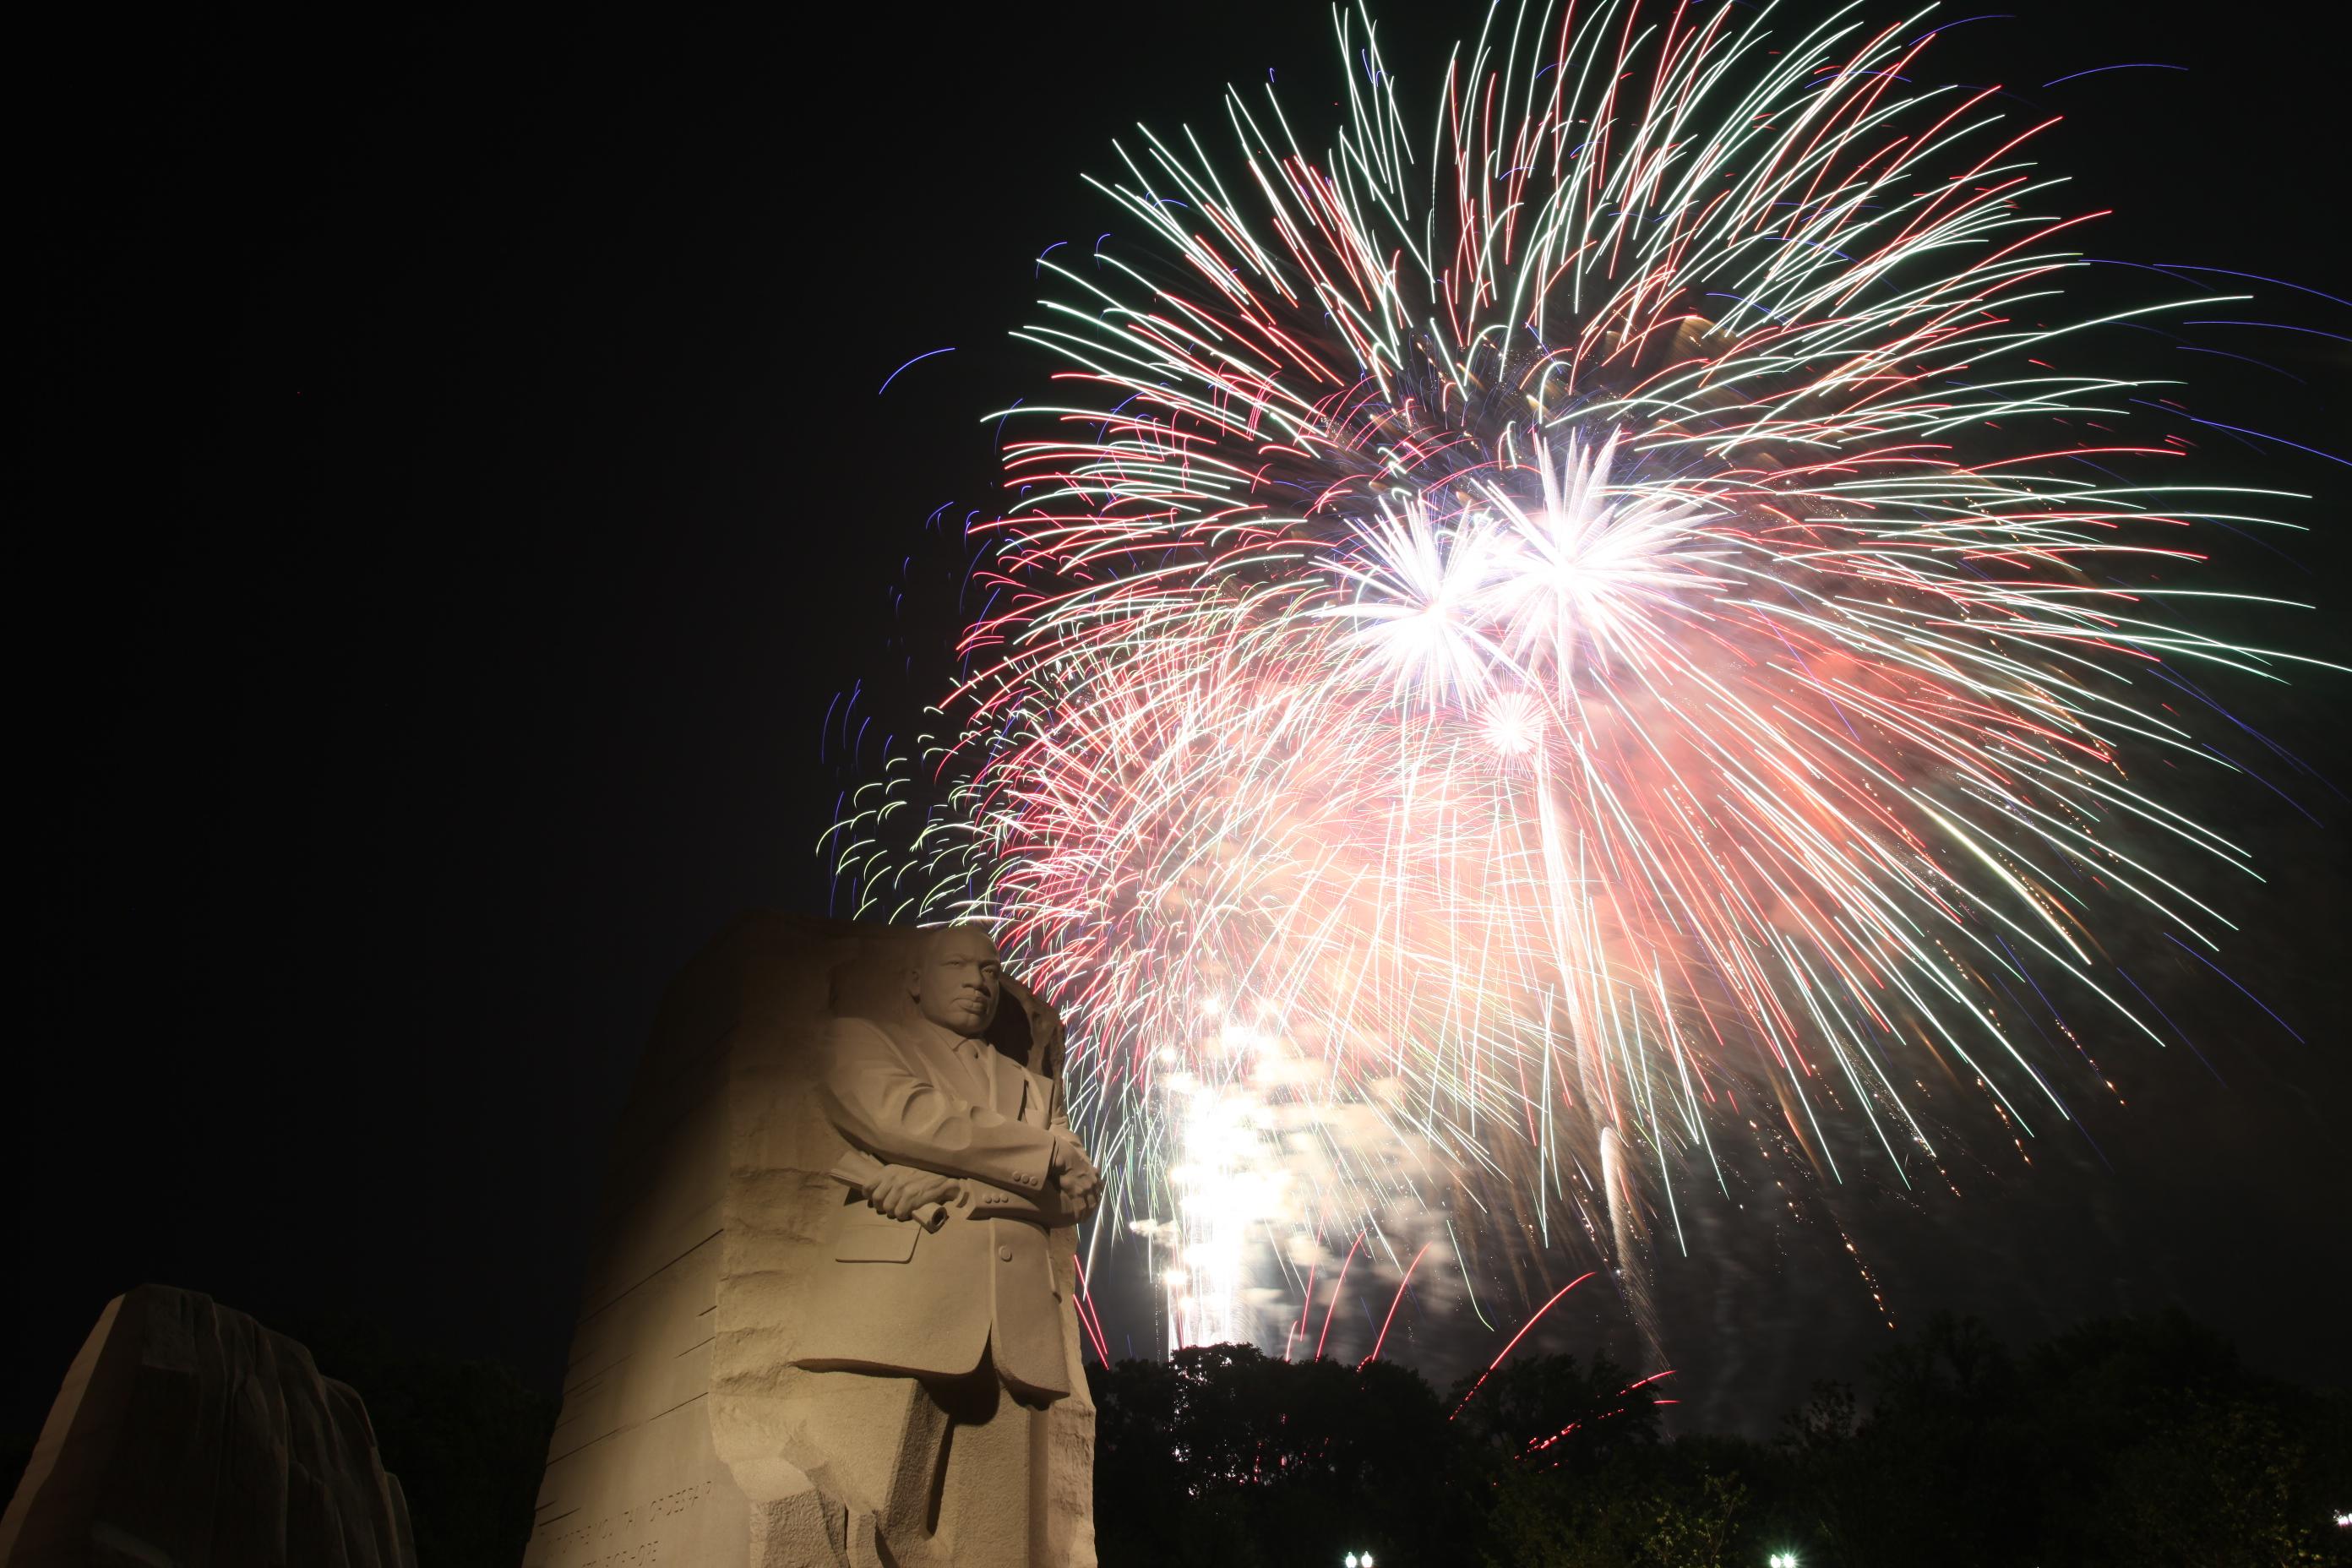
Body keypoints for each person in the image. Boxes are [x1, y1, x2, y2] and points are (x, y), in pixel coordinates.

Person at [792, 923, 1102, 1568]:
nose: (976, 982)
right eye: (957, 965)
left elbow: (1076, 1196)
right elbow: (905, 1116)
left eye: (990, 971)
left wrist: (948, 1182)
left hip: (1016, 1334)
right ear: (914, 981)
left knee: (1002, 1544)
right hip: (897, 1311)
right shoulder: (859, 1040)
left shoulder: (1034, 1088)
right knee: (870, 1520)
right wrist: (1039, 1154)